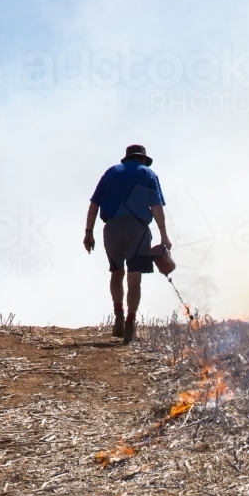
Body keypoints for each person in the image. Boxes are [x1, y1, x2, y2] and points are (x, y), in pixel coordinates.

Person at [84, 144, 172, 345]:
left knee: (116, 272)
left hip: (112, 229)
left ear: (127, 158)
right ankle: (131, 321)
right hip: (138, 230)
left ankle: (118, 317)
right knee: (134, 278)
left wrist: (88, 232)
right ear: (142, 159)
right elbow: (156, 206)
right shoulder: (148, 174)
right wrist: (164, 236)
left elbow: (94, 204)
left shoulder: (111, 173)